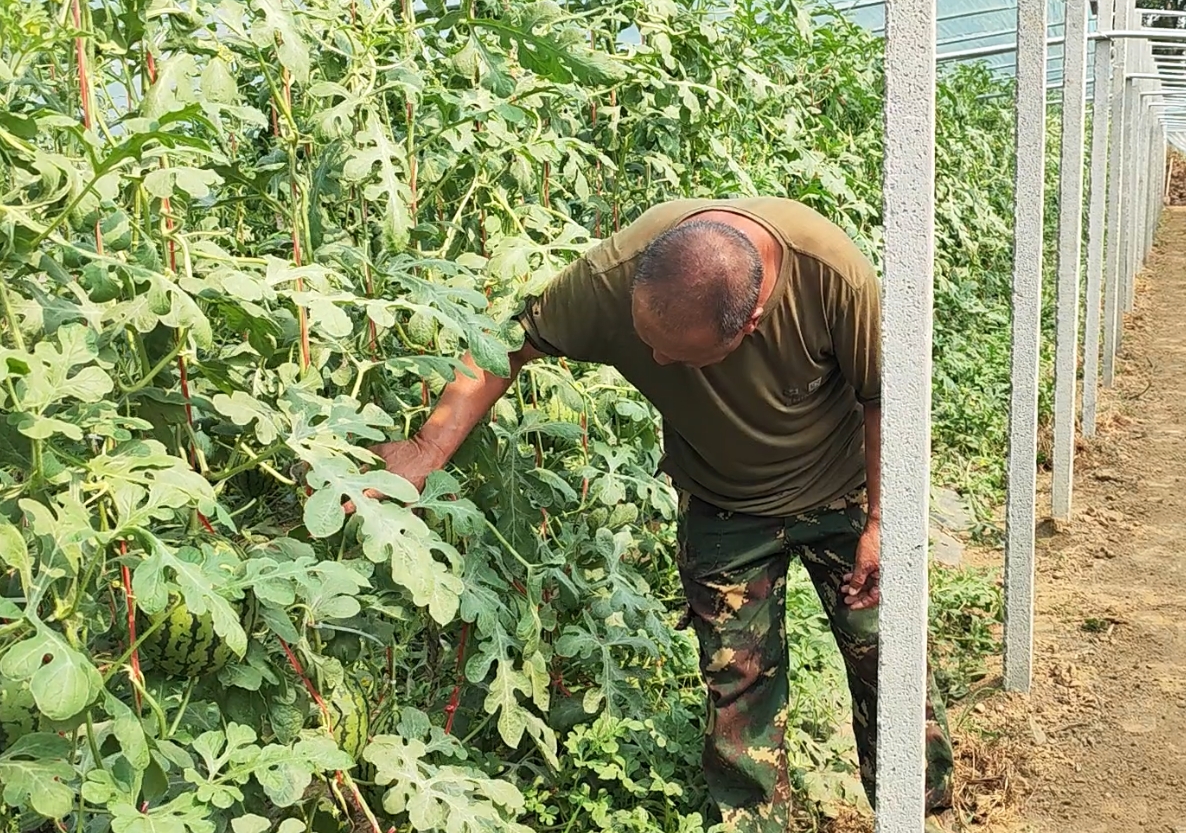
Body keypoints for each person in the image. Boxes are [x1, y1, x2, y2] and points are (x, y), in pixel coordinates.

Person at [364, 197, 956, 832]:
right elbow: (503, 345)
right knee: (738, 686)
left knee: (885, 652)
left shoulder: (831, 273)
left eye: (684, 356)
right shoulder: (607, 281)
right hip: (724, 504)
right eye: (651, 347)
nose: (663, 365)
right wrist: (427, 449)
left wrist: (881, 523)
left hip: (843, 491)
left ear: (753, 320)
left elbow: (884, 400)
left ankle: (924, 811)